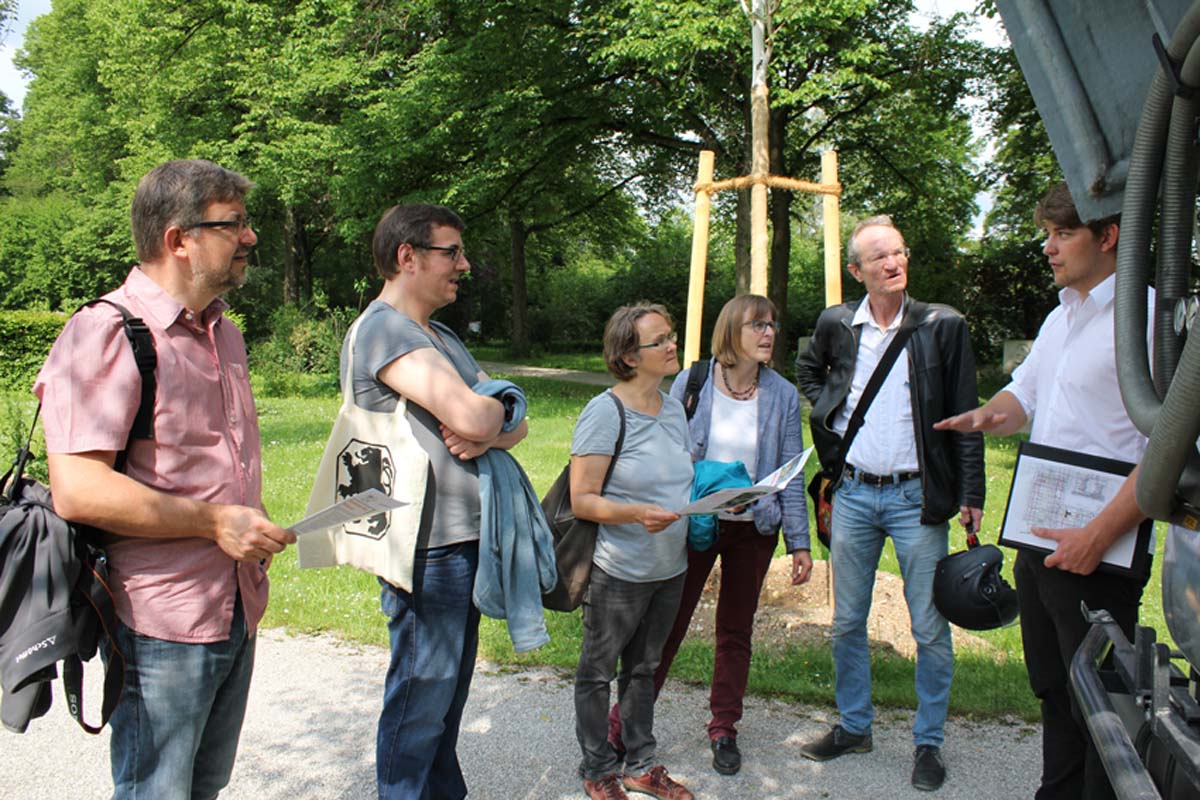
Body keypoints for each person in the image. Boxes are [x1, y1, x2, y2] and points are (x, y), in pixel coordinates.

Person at [33, 159, 296, 799]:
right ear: (179, 239)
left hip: (234, 601)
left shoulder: (223, 332)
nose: (251, 237)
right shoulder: (106, 331)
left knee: (203, 786)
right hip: (160, 618)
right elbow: (78, 488)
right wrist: (213, 521)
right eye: (234, 224)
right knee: (158, 790)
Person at [935, 182, 1151, 800]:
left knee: (1104, 716)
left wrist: (1099, 535)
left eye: (1063, 235)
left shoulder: (1149, 321)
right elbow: (1025, 396)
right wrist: (984, 415)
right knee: (1055, 694)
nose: (1049, 249)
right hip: (1039, 538)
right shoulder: (1063, 314)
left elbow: (1166, 454)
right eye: (1046, 236)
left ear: (1107, 237)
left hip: (1099, 551)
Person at [343, 203, 528, 799]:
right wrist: (490, 416)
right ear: (408, 256)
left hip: (461, 541)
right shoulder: (384, 329)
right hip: (425, 547)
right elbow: (481, 410)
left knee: (444, 699)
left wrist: (493, 420)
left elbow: (512, 421)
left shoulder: (439, 335)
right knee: (421, 698)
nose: (464, 265)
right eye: (452, 252)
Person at [794, 215, 985, 792]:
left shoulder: (942, 325)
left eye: (898, 253)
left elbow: (967, 417)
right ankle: (855, 725)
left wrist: (971, 493)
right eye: (878, 257)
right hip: (852, 492)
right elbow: (808, 371)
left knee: (929, 626)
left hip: (915, 498)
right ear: (857, 271)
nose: (892, 263)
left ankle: (928, 743)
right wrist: (830, 409)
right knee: (847, 622)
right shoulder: (837, 323)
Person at [607, 293, 811, 777]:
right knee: (665, 628)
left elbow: (791, 473)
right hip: (696, 523)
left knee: (735, 632)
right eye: (757, 325)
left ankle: (724, 729)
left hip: (753, 531)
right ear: (731, 332)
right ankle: (623, 726)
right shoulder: (693, 380)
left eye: (772, 326)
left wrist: (799, 542)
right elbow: (664, 447)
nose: (768, 334)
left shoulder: (781, 393)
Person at [571, 303, 696, 800]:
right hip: (619, 570)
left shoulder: (672, 407)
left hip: (671, 566)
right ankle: (598, 768)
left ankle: (641, 764)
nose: (672, 346)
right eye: (659, 340)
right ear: (627, 355)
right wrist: (637, 513)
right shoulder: (605, 412)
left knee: (644, 669)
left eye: (672, 336)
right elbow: (583, 500)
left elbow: (679, 477)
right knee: (597, 672)